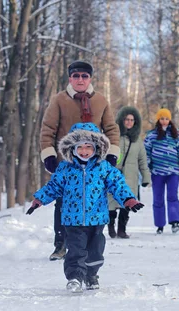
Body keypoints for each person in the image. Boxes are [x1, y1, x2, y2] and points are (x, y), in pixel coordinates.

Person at [28, 123, 144, 292]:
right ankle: (75, 277)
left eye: (88, 147)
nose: (84, 151)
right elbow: (53, 186)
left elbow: (117, 184)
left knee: (95, 252)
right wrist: (39, 199)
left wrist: (128, 199)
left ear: (96, 147)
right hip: (72, 219)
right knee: (75, 250)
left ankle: (91, 275)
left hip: (97, 218)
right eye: (79, 147)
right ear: (71, 148)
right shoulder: (65, 168)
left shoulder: (104, 168)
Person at [40, 60, 120, 261]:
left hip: (94, 164)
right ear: (70, 78)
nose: (80, 79)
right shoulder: (59, 100)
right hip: (66, 163)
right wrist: (49, 154)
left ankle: (91, 244)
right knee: (63, 204)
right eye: (76, 76)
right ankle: (61, 244)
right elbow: (48, 129)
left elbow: (111, 128)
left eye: (84, 76)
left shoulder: (100, 101)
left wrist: (112, 153)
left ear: (90, 78)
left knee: (92, 202)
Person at [107, 106, 151, 239]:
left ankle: (122, 229)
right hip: (113, 175)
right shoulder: (113, 137)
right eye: (126, 119)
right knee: (111, 202)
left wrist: (145, 177)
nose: (129, 122)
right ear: (121, 120)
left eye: (132, 120)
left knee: (127, 202)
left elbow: (143, 160)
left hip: (130, 177)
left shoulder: (137, 140)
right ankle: (110, 226)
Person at [144, 108, 179, 234]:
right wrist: (147, 171)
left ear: (170, 120)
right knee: (158, 198)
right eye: (162, 118)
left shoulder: (176, 135)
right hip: (157, 172)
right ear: (158, 119)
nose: (164, 121)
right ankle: (159, 225)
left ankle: (174, 222)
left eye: (167, 119)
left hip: (173, 171)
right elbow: (146, 154)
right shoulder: (151, 135)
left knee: (172, 196)